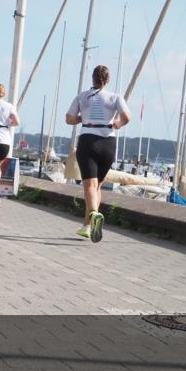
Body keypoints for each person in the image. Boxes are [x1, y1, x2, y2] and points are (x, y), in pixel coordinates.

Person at [64, 64, 131, 242]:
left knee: (89, 186)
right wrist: (117, 124)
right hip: (108, 143)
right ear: (107, 80)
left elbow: (69, 118)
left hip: (88, 141)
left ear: (92, 79)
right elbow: (127, 117)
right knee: (97, 186)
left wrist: (81, 118)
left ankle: (93, 214)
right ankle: (87, 226)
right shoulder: (115, 97)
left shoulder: (82, 96)